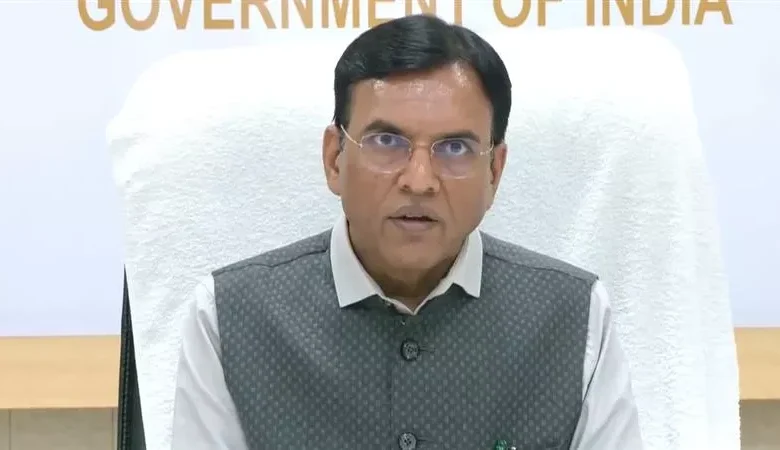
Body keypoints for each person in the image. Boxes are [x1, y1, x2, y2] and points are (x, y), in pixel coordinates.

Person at [171, 14, 644, 450]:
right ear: (334, 158)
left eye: (454, 148)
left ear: (494, 172)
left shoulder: (575, 317)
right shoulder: (229, 318)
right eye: (387, 141)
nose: (419, 180)